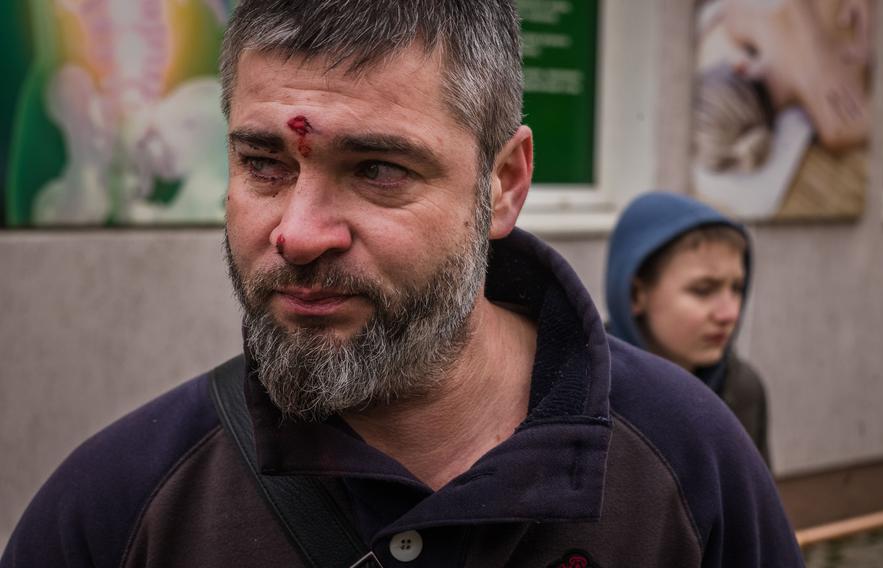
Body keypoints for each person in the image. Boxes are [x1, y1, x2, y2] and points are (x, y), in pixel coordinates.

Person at [2, 2, 803, 567]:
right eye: (262, 164)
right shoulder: (120, 509)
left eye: (378, 168)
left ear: (505, 183)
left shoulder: (687, 469)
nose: (299, 232)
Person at [606, 191, 771, 464]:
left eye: (737, 289)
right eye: (704, 290)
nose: (730, 313)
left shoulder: (742, 390)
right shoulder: (586, 392)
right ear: (636, 295)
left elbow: (758, 505)